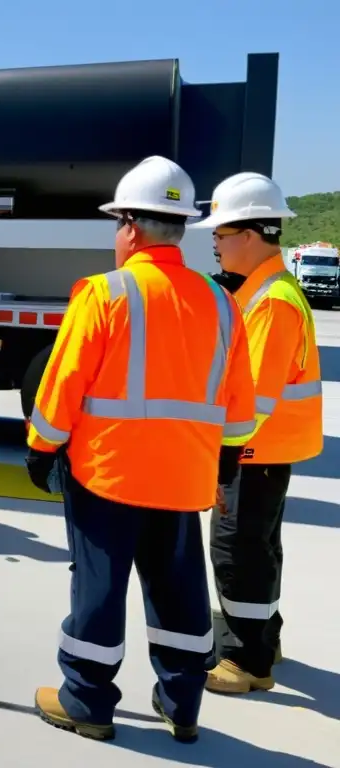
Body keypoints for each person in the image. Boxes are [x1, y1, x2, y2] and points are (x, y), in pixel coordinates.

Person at [25, 156, 257, 743]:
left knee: (99, 591)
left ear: (130, 225)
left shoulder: (106, 294)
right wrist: (225, 458)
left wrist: (41, 447)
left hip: (109, 476)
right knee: (179, 591)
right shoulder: (223, 303)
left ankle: (86, 700)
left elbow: (62, 387)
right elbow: (239, 402)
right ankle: (182, 703)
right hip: (185, 480)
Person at [190, 172, 323, 695]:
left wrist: (216, 454)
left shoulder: (271, 302)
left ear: (248, 235)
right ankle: (264, 637)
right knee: (260, 549)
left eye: (220, 235)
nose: (216, 244)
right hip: (268, 453)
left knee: (237, 552)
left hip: (251, 451)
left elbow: (254, 401)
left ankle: (247, 662)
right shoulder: (270, 290)